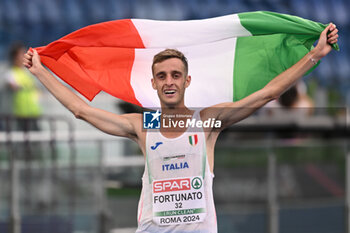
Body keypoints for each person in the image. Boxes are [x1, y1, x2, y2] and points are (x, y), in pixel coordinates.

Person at [23, 23, 338, 232]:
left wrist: (315, 54)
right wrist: (40, 72)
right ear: (154, 84)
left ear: (187, 81)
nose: (169, 81)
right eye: (162, 76)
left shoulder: (208, 122)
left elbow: (268, 94)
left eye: (175, 75)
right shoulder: (143, 126)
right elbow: (81, 110)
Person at [7, 42, 42, 131]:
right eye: (21, 54)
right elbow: (13, 86)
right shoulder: (11, 74)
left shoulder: (28, 72)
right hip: (20, 115)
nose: (24, 56)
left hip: (34, 113)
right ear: (15, 57)